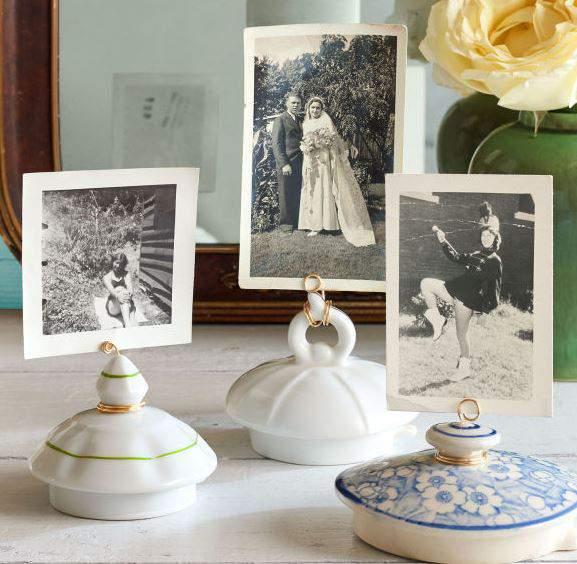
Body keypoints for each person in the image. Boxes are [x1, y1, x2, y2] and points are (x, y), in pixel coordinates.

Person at [420, 225, 503, 382]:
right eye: (483, 235)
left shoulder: (495, 260)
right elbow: (456, 257)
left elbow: (494, 288)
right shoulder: (476, 254)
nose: (486, 238)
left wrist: (486, 311)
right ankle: (438, 320)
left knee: (461, 334)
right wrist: (443, 241)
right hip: (455, 288)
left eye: (489, 236)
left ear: (495, 239)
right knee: (426, 283)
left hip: (468, 298)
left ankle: (464, 369)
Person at [297, 96, 375, 247]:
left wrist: (323, 144)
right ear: (308, 109)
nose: (315, 110)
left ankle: (328, 224)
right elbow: (305, 141)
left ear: (322, 109)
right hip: (310, 161)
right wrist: (308, 147)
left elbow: (334, 140)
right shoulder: (305, 124)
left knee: (323, 189)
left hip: (323, 161)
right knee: (311, 189)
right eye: (313, 108)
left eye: (318, 108)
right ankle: (314, 224)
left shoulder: (326, 121)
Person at [271, 93, 304, 235]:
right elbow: (276, 144)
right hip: (287, 163)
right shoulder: (280, 119)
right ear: (287, 104)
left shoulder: (300, 120)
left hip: (299, 162)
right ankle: (285, 225)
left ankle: (296, 222)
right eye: (293, 103)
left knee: (296, 192)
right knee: (285, 193)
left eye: (298, 103)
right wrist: (284, 163)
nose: (296, 105)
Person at [103, 252, 137, 328]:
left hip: (125, 301)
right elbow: (112, 291)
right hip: (113, 306)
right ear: (113, 262)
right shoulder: (106, 277)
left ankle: (127, 324)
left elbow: (130, 288)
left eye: (121, 264)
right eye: (117, 263)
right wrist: (118, 295)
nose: (118, 266)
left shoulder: (126, 274)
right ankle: (128, 325)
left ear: (124, 264)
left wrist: (129, 294)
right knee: (119, 289)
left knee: (124, 291)